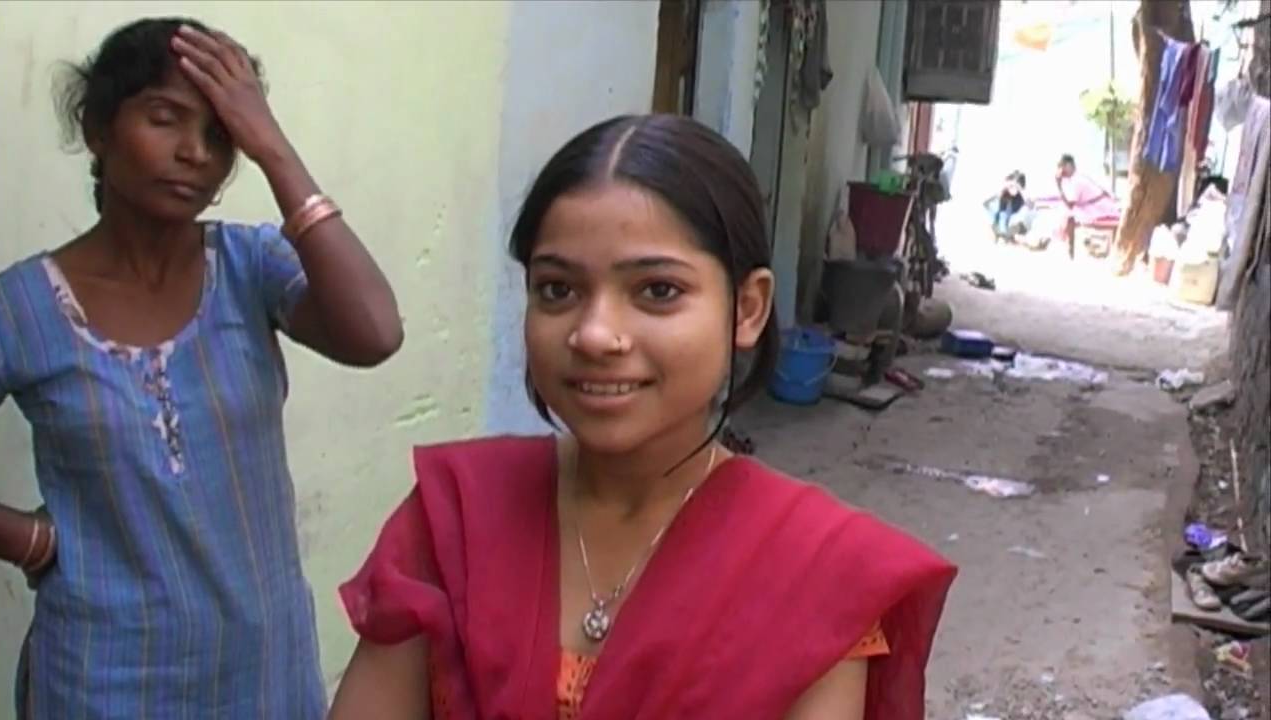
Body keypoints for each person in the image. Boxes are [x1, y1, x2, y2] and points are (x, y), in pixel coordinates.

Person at [328, 115, 955, 719]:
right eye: (558, 290)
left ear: (748, 308)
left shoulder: (819, 576)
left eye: (658, 291)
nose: (595, 334)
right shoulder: (454, 520)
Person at [0, 17, 403, 718]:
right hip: (100, 680)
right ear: (97, 129)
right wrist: (28, 541)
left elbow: (375, 333)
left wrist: (272, 147)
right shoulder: (19, 310)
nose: (194, 153)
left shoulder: (250, 267)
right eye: (164, 119)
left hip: (262, 674)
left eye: (221, 136)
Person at [1052, 154, 1117, 259]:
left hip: (1101, 209)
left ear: (1068, 166)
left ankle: (1070, 250)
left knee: (1068, 214)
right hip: (1097, 207)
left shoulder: (1077, 181)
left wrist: (1058, 185)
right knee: (1064, 212)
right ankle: (1068, 246)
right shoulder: (1074, 179)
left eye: (1062, 166)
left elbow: (1070, 205)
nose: (1060, 170)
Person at [984, 171, 1034, 243]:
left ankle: (1006, 236)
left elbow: (1031, 206)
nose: (1008, 189)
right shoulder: (1005, 195)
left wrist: (1020, 189)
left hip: (1016, 225)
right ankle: (1003, 236)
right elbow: (1000, 213)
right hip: (1002, 224)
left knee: (1017, 226)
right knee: (994, 214)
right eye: (1007, 187)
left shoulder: (1022, 196)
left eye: (1011, 186)